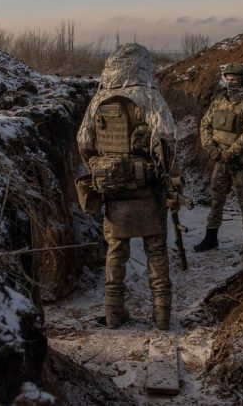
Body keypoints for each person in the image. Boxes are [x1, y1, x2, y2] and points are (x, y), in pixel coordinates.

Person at [77, 43, 181, 330]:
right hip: (147, 190)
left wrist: (103, 172)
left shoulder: (99, 100)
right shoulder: (151, 97)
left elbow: (84, 144)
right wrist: (172, 185)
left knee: (115, 252)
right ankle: (161, 317)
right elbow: (168, 143)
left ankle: (113, 314)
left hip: (114, 192)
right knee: (156, 251)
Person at [195, 63, 243, 252]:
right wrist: (211, 149)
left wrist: (229, 153)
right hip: (221, 161)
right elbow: (205, 125)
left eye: (235, 79)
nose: (231, 82)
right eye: (228, 79)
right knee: (216, 199)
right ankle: (211, 238)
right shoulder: (219, 101)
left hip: (241, 163)